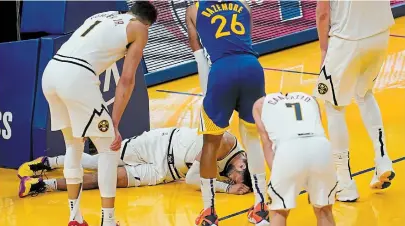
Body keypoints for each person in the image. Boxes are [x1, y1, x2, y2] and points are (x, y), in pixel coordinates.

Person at [39, 2, 158, 226]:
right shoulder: (140, 28)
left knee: (73, 145)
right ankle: (109, 221)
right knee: (109, 147)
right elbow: (127, 80)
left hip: (51, 72)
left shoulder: (104, 15)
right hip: (76, 76)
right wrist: (114, 123)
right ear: (147, 23)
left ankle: (75, 219)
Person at [186, 1, 269, 226]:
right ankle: (261, 207)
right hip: (252, 68)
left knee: (210, 144)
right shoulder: (244, 4)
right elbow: (244, 40)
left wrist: (208, 93)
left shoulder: (193, 9)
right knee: (253, 139)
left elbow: (200, 57)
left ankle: (209, 213)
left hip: (222, 71)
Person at [314, 0, 395, 202]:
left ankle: (345, 182)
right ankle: (382, 158)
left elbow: (323, 13)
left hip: (348, 38)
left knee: (333, 106)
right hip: (380, 33)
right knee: (364, 94)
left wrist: (324, 49)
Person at [18, 127, 252, 197]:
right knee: (99, 162)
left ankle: (42, 185)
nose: (230, 178)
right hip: (157, 144)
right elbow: (193, 179)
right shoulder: (224, 142)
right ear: (241, 165)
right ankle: (51, 161)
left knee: (107, 179)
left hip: (164, 172)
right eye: (235, 177)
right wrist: (227, 188)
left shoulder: (238, 164)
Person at [253, 92, 337, 226]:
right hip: (321, 147)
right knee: (324, 209)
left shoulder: (260, 104)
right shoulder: (311, 99)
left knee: (279, 211)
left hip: (289, 148)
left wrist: (278, 176)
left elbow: (267, 143)